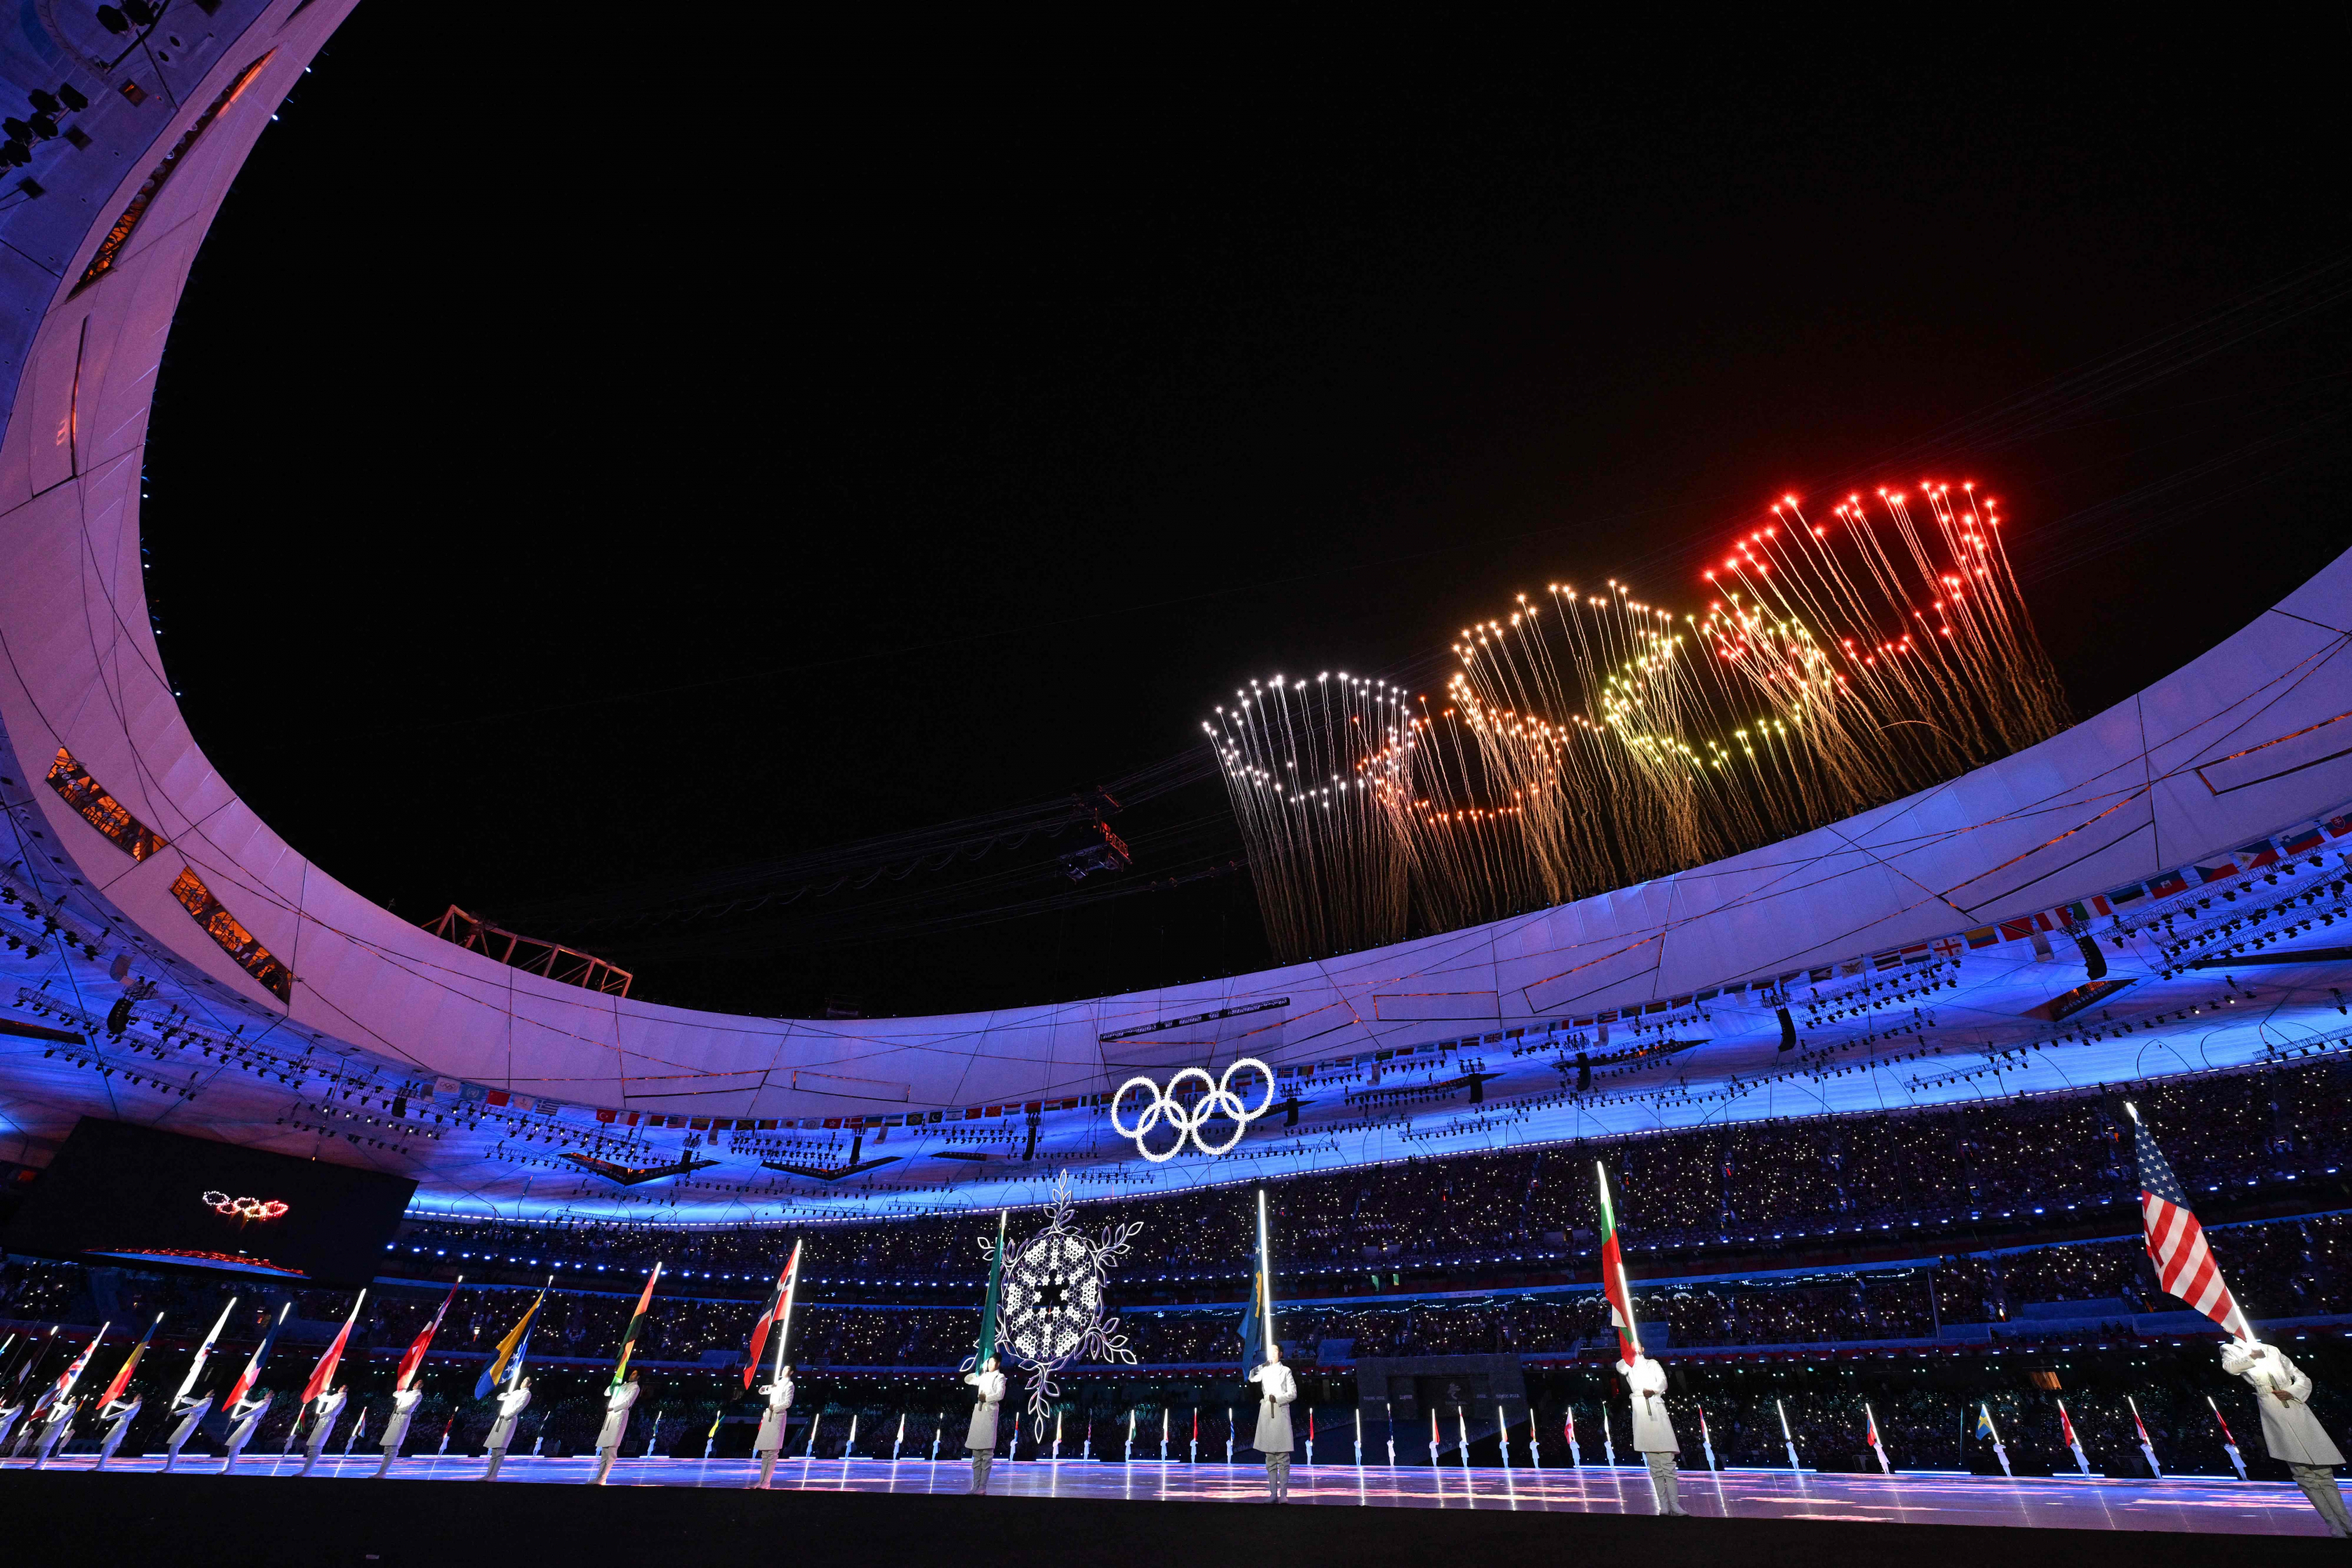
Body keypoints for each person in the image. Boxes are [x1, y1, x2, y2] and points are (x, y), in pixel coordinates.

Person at [2223, 1338, 2352, 1537]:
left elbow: (2302, 1377)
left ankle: (2347, 1523)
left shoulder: (2271, 1349)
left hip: (2296, 1406)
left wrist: (2292, 1392)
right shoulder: (2230, 1348)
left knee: (2324, 1472)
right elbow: (2231, 1368)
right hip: (2272, 1408)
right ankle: (2334, 1525)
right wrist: (2251, 1357)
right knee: (2303, 1474)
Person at [1618, 1352, 1689, 1517]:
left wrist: (1654, 1390)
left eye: (1638, 1346)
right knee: (1655, 1468)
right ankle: (1664, 1506)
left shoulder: (1652, 1363)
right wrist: (1628, 1354)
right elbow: (1620, 1368)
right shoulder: (1628, 1365)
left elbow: (1663, 1382)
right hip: (1642, 1414)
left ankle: (1675, 1505)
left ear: (1643, 1347)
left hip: (1657, 1411)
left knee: (1668, 1465)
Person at [1247, 1345, 1298, 1502]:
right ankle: (1273, 1493)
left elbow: (1293, 1393)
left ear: (1281, 1353)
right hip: (1267, 1413)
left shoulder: (1286, 1371)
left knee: (1283, 1457)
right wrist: (1263, 1365)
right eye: (1271, 1351)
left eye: (1275, 1351)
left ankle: (1283, 1494)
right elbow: (1251, 1376)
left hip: (1281, 1412)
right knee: (1269, 1457)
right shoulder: (1265, 1369)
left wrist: (1278, 1399)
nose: (1273, 1353)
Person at [590, 1372, 640, 1486]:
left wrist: (614, 1408)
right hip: (610, 1418)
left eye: (634, 1374)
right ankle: (598, 1478)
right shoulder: (622, 1385)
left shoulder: (635, 1387)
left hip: (618, 1417)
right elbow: (607, 1393)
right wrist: (615, 1381)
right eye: (631, 1373)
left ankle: (603, 1478)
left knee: (611, 1450)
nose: (631, 1375)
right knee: (605, 1450)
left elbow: (628, 1403)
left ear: (638, 1377)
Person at [964, 1356, 1005, 1494]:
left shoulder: (1000, 1377)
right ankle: (975, 1486)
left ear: (998, 1364)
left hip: (989, 1413)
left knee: (986, 1453)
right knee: (976, 1453)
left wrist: (986, 1398)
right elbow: (968, 1380)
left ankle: (983, 1487)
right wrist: (979, 1369)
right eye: (988, 1362)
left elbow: (1000, 1394)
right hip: (979, 1414)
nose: (989, 1364)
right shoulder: (984, 1375)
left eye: (992, 1362)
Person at [753, 1365, 795, 1489]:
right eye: (784, 1368)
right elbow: (761, 1391)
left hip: (778, 1416)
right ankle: (761, 1481)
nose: (784, 1370)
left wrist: (774, 1407)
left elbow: (788, 1403)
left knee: (772, 1451)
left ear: (791, 1372)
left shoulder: (789, 1385)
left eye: (787, 1369)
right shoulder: (777, 1383)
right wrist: (771, 1386)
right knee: (765, 1452)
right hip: (769, 1417)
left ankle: (766, 1482)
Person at [484, 1377, 532, 1481]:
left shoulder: (526, 1394)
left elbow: (520, 1407)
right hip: (501, 1419)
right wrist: (506, 1394)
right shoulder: (515, 1392)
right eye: (522, 1380)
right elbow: (499, 1397)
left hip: (509, 1420)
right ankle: (488, 1474)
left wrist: (508, 1416)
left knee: (501, 1449)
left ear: (529, 1384)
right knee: (494, 1449)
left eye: (525, 1381)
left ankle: (494, 1475)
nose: (522, 1382)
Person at [374, 1386, 423, 1479]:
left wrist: (398, 1408)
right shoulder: (408, 1393)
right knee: (388, 1448)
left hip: (402, 1419)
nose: (416, 1384)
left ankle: (383, 1473)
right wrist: (402, 1388)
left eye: (419, 1382)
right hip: (395, 1418)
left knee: (393, 1447)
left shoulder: (418, 1395)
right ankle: (381, 1472)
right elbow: (395, 1394)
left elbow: (408, 1408)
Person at [298, 1387, 348, 1476]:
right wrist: (323, 1391)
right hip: (323, 1419)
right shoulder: (336, 1396)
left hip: (327, 1420)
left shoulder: (342, 1398)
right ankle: (306, 1470)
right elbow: (323, 1398)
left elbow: (334, 1410)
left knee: (316, 1445)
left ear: (346, 1390)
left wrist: (321, 1414)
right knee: (313, 1445)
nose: (340, 1388)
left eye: (342, 1387)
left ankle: (307, 1471)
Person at [220, 1389, 271, 1472]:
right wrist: (241, 1399)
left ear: (272, 1395)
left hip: (249, 1424)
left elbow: (253, 1412)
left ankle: (231, 1468)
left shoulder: (265, 1404)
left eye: (269, 1392)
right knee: (234, 1447)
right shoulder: (262, 1401)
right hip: (247, 1423)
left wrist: (237, 1418)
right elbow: (252, 1404)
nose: (267, 1393)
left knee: (235, 1446)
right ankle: (231, 1468)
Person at [160, 1392, 212, 1472]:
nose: (208, 1392)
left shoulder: (206, 1402)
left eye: (210, 1391)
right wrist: (182, 1398)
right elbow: (194, 1401)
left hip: (191, 1421)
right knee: (174, 1445)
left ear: (213, 1394)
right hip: (189, 1420)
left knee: (176, 1445)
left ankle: (169, 1468)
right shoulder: (205, 1400)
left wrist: (176, 1413)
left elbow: (194, 1408)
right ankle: (169, 1467)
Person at [93, 1390, 141, 1469]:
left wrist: (106, 1419)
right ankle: (100, 1465)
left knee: (109, 1444)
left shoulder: (136, 1406)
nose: (135, 1397)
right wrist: (112, 1400)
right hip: (120, 1424)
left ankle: (100, 1466)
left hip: (122, 1425)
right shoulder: (134, 1405)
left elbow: (123, 1413)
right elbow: (123, 1406)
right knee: (108, 1445)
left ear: (140, 1398)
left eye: (137, 1396)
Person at [29, 1398, 78, 1468]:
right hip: (53, 1426)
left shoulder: (71, 1408)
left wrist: (52, 1423)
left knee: (45, 1447)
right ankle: (37, 1464)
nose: (69, 1399)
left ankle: (37, 1465)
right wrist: (57, 1401)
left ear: (73, 1400)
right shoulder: (69, 1407)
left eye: (70, 1399)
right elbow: (59, 1406)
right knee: (42, 1446)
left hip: (56, 1427)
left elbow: (63, 1418)